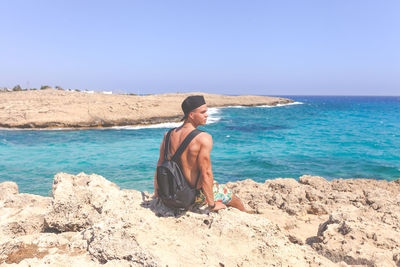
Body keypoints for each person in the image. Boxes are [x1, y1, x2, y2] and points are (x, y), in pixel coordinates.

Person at [154, 95, 248, 212]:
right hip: (191, 196)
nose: (206, 115)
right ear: (191, 115)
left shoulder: (168, 135)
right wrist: (212, 204)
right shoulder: (203, 138)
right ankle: (247, 214)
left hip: (169, 193)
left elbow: (160, 165)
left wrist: (157, 193)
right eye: (203, 112)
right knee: (235, 199)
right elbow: (206, 173)